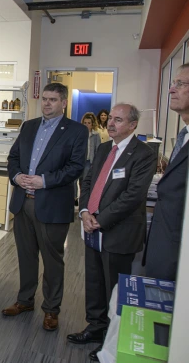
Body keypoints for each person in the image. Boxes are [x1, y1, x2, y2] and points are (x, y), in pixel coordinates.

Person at [68, 104, 157, 362]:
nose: (111, 124)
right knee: (94, 282)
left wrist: (100, 219)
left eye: (119, 120)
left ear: (132, 125)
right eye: (111, 119)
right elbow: (88, 181)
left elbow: (133, 196)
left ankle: (111, 340)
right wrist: (84, 211)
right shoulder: (105, 148)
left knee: (114, 289)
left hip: (118, 232)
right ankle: (95, 328)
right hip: (92, 227)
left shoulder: (144, 154)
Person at [3, 83, 88, 332]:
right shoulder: (28, 126)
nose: (47, 104)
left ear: (64, 103)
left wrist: (45, 181)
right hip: (23, 203)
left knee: (52, 261)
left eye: (53, 100)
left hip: (52, 206)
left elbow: (76, 167)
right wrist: (16, 176)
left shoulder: (76, 131)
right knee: (26, 257)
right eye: (44, 99)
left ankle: (51, 310)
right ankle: (24, 301)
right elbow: (13, 158)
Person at [144, 63, 189, 281]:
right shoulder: (183, 135)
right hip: (167, 244)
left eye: (180, 84)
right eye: (173, 83)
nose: (171, 89)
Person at [80, 112, 102, 187]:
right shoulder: (79, 134)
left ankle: (84, 197)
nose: (86, 125)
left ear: (92, 124)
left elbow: (98, 149)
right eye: (85, 123)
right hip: (80, 160)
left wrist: (96, 163)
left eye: (89, 123)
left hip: (89, 161)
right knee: (76, 180)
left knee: (85, 180)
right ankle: (75, 197)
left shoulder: (96, 135)